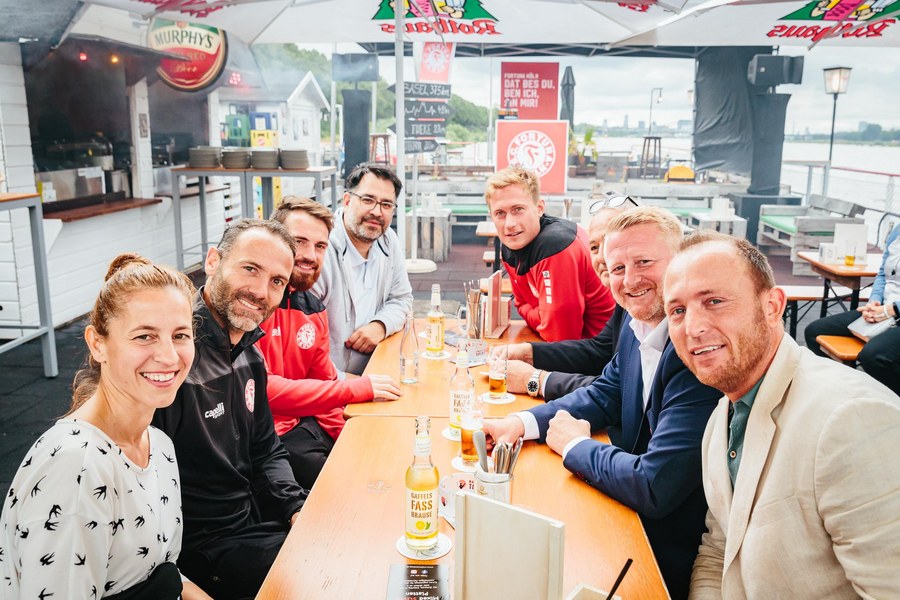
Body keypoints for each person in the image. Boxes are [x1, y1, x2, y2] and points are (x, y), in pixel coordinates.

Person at [483, 207, 720, 599]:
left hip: (665, 547)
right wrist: (520, 423)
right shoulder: (635, 320)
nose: (629, 280)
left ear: (681, 262)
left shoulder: (697, 349)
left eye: (644, 262)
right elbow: (606, 392)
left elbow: (654, 486)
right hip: (628, 509)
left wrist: (574, 445)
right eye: (616, 268)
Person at [663, 230, 900, 599]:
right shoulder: (722, 416)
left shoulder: (852, 419)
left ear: (772, 306)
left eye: (714, 301)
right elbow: (719, 550)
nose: (693, 328)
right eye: (677, 311)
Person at [0, 254, 209, 599]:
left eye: (180, 335)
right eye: (145, 336)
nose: (170, 356)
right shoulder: (76, 466)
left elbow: (160, 571)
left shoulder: (158, 445)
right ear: (98, 344)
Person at [152, 219, 308, 599]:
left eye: (277, 281)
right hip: (201, 547)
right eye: (250, 268)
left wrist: (295, 507)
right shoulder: (170, 359)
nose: (261, 292)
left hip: (250, 521)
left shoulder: (250, 355)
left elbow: (265, 449)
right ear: (212, 261)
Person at [257, 197, 401, 488]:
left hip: (303, 424)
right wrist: (357, 388)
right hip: (264, 436)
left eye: (320, 246)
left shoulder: (312, 309)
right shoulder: (253, 305)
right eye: (299, 242)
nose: (310, 255)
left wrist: (351, 436)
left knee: (380, 456)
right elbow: (263, 388)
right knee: (346, 485)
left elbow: (325, 387)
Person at [501, 202, 627, 400]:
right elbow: (600, 351)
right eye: (594, 247)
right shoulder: (626, 306)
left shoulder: (662, 315)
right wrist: (528, 352)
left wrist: (533, 380)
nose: (602, 257)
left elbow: (620, 392)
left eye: (612, 244)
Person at [485, 165, 615, 342]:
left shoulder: (556, 246)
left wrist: (544, 316)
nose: (509, 224)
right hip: (565, 346)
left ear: (539, 208)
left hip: (598, 353)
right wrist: (544, 316)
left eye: (518, 209)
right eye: (500, 213)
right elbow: (521, 305)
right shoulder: (511, 245)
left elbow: (561, 336)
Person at [312, 163, 413, 375]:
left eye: (386, 204)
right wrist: (348, 384)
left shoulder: (388, 240)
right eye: (368, 200)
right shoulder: (320, 249)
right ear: (347, 200)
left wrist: (381, 325)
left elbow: (402, 298)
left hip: (377, 365)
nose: (376, 212)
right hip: (329, 380)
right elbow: (304, 341)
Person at [804, 221, 900, 395]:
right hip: (882, 310)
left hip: (894, 314)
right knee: (814, 331)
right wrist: (874, 301)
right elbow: (882, 274)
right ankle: (843, 392)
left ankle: (891, 402)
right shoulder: (897, 230)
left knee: (873, 356)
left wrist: (892, 310)